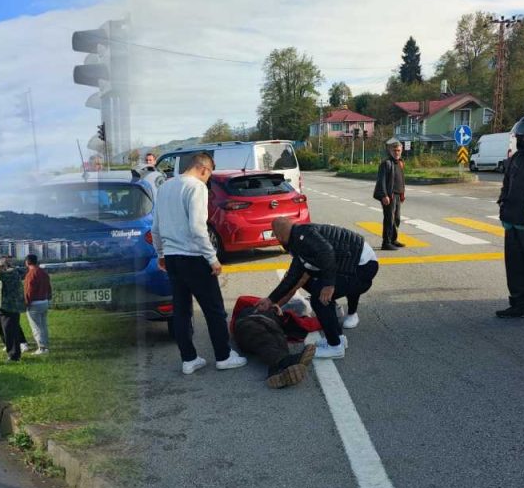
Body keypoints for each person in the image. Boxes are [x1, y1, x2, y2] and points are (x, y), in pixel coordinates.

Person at [151, 152, 247, 374]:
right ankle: (223, 356)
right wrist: (212, 258)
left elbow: (155, 228)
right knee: (214, 309)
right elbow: (197, 228)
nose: (208, 180)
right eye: (209, 174)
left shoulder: (165, 187)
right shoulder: (196, 187)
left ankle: (189, 360)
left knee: (181, 311)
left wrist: (161, 254)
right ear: (203, 169)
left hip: (173, 258)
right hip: (193, 258)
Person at [255, 218, 380, 359]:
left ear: (280, 236)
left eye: (276, 236)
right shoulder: (297, 240)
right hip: (353, 263)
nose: (277, 240)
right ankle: (338, 338)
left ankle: (335, 347)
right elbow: (292, 277)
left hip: (363, 266)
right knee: (319, 292)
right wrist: (271, 299)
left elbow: (327, 252)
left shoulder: (304, 237)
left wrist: (328, 285)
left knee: (319, 299)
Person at [496, 112, 524, 318]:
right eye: (520, 136)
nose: (522, 139)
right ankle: (519, 304)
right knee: (514, 265)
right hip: (512, 219)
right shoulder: (515, 159)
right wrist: (502, 203)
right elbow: (506, 185)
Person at [232, 305, 316, 389]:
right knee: (261, 336)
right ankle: (285, 362)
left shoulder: (275, 312)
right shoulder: (252, 305)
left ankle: (277, 369)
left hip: (271, 322)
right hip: (246, 321)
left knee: (278, 338)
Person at [374, 139, 407, 251]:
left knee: (396, 218)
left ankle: (393, 240)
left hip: (398, 195)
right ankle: (386, 242)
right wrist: (384, 195)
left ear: (401, 150)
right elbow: (381, 180)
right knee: (389, 218)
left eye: (398, 150)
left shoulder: (401, 163)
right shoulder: (386, 163)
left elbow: (401, 179)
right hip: (389, 196)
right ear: (390, 151)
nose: (397, 152)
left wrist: (402, 193)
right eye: (395, 150)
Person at [0, 257, 27, 361]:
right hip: (7, 306)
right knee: (11, 330)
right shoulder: (13, 271)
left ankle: (14, 355)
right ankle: (14, 354)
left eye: (1, 266)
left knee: (9, 331)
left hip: (9, 306)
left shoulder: (10, 272)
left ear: (5, 266)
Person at [23, 254, 52, 355]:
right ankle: (45, 346)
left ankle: (42, 348)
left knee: (36, 327)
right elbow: (49, 287)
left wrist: (26, 303)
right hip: (44, 301)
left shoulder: (30, 274)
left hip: (34, 304)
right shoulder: (43, 272)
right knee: (43, 326)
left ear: (27, 262)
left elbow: (29, 291)